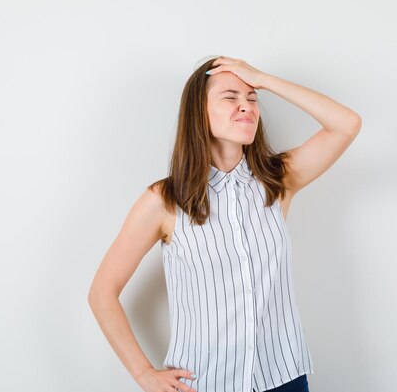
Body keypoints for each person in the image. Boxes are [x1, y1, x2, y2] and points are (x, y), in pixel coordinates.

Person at [88, 55, 362, 392]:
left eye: (252, 98)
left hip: (283, 378)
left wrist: (262, 78)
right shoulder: (163, 200)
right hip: (204, 383)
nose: (245, 105)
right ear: (198, 113)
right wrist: (144, 374)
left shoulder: (278, 181)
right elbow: (102, 293)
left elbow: (346, 124)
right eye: (230, 97)